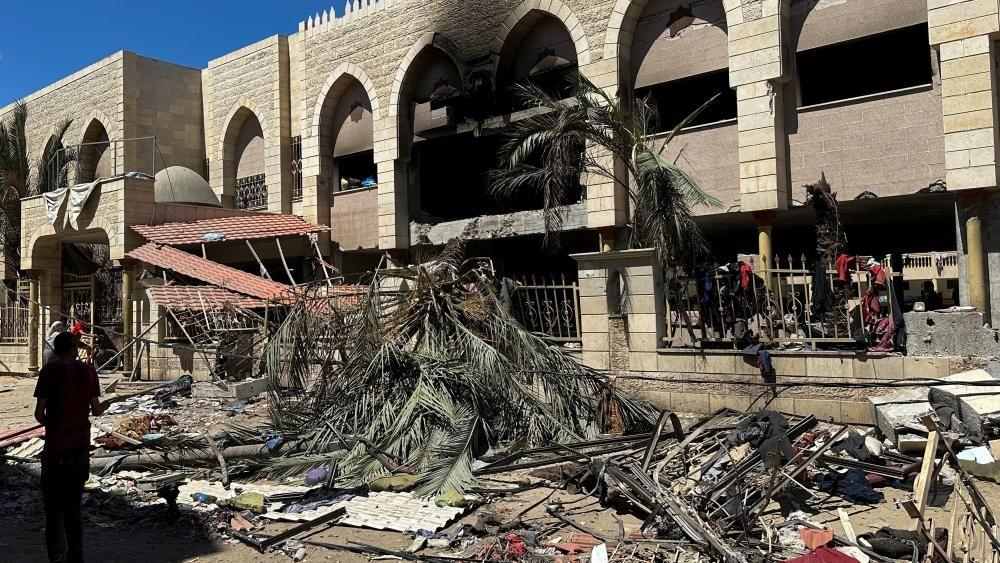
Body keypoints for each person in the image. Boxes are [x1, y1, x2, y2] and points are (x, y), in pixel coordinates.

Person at [33, 332, 106, 563]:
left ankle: (56, 557)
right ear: (74, 348)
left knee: (53, 511)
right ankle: (77, 557)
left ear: (55, 349)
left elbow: (38, 414)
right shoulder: (88, 371)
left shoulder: (48, 371)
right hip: (80, 448)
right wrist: (106, 404)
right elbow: (96, 409)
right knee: (73, 509)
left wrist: (53, 424)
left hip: (55, 449)